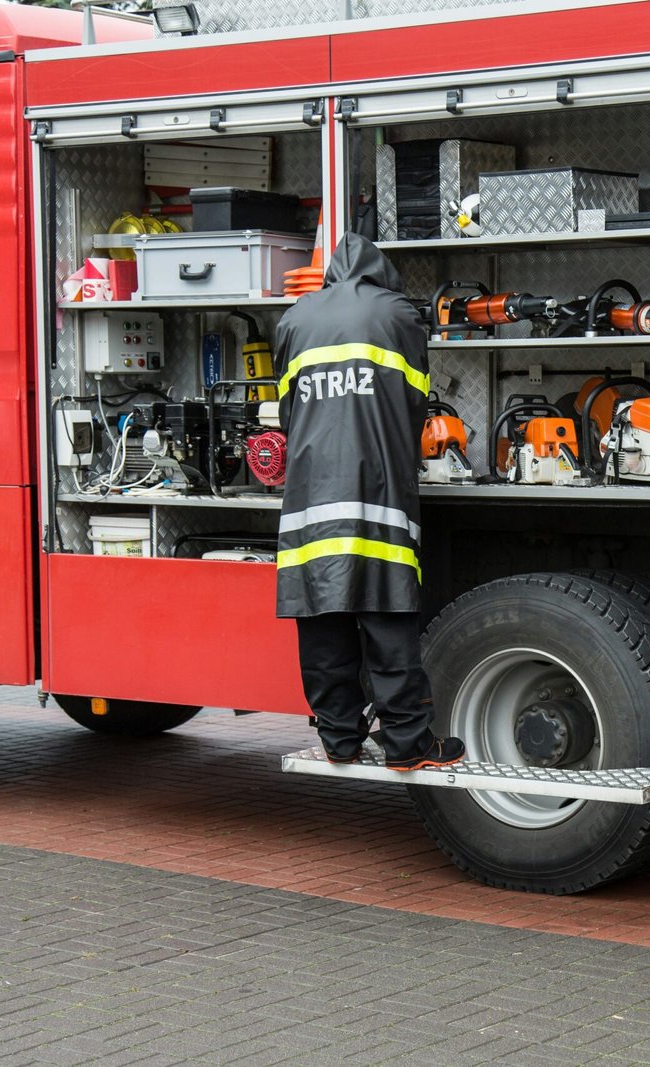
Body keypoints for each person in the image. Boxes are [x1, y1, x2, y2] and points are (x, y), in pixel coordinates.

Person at [271, 232, 465, 772]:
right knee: (387, 615)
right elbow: (414, 404)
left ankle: (340, 739)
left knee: (321, 617)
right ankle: (407, 744)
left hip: (309, 497)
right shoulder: (399, 315)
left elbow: (288, 412)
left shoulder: (295, 318)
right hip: (377, 494)